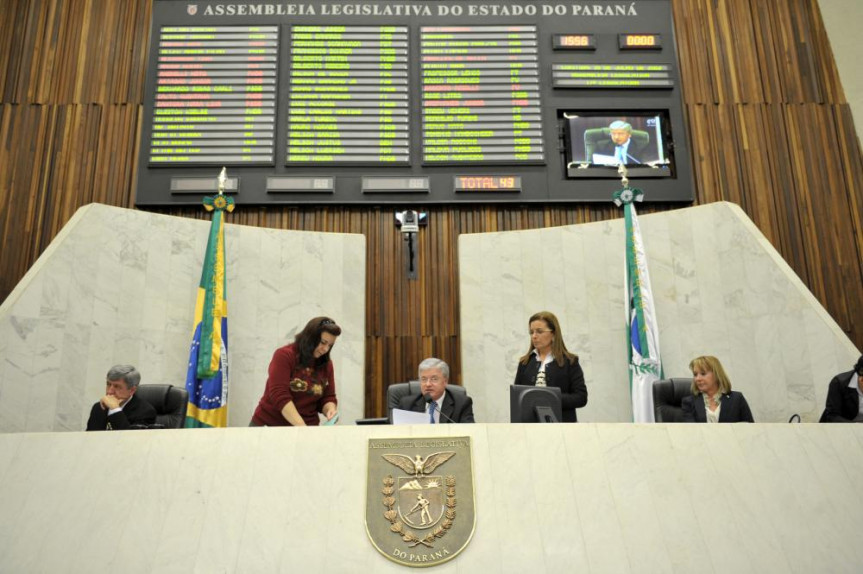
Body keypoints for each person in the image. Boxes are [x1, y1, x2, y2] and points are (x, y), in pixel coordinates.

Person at [251, 317, 341, 426]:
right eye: (323, 342)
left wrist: (329, 409)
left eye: (330, 345)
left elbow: (328, 397)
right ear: (310, 337)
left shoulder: (326, 364)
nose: (325, 349)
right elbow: (280, 396)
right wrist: (302, 428)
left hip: (307, 427)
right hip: (270, 425)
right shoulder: (285, 355)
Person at [513, 311, 588, 422]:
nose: (534, 336)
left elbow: (581, 397)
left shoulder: (570, 362)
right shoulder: (525, 362)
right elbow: (517, 397)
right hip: (530, 426)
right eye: (531, 332)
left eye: (539, 331)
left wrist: (549, 398)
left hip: (562, 425)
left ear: (553, 333)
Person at [398, 357, 475, 423]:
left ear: (445, 381)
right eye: (424, 379)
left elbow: (469, 432)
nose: (428, 384)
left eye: (434, 379)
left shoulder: (462, 404)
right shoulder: (406, 405)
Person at [681, 356, 754, 423]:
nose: (698, 379)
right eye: (695, 375)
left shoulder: (737, 399)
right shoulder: (689, 402)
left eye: (703, 374)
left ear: (716, 374)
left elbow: (751, 428)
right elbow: (691, 432)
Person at [86, 365, 157, 430]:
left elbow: (130, 440)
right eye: (108, 384)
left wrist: (115, 409)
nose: (110, 391)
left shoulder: (145, 411)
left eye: (117, 386)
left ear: (132, 390)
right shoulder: (98, 408)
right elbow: (88, 439)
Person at [819, 355, 863, 422]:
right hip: (840, 428)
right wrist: (856, 427)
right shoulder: (839, 383)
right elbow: (832, 416)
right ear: (861, 378)